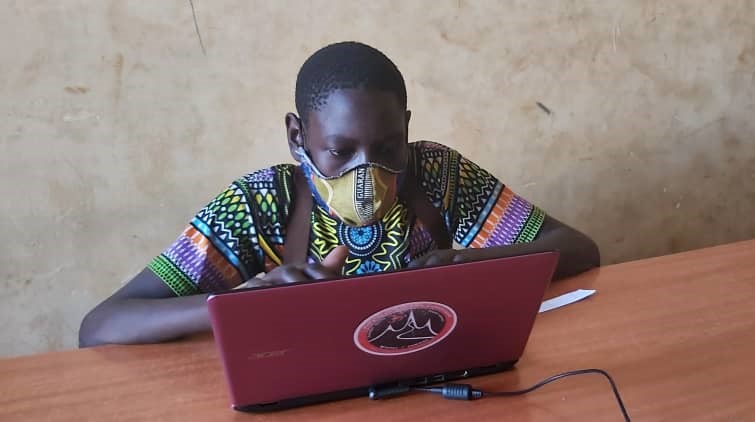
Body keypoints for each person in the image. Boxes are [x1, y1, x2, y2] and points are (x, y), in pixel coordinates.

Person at [79, 41, 599, 347]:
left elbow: (577, 248)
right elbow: (102, 325)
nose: (365, 171)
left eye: (388, 147)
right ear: (296, 136)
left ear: (408, 130)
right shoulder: (264, 204)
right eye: (339, 151)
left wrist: (466, 264)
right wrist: (241, 304)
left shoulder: (436, 175)